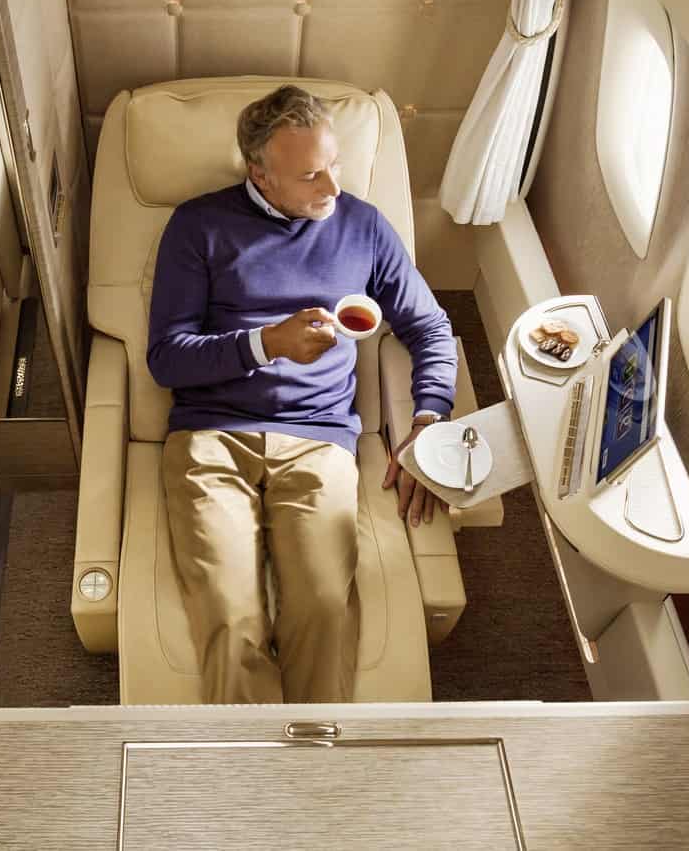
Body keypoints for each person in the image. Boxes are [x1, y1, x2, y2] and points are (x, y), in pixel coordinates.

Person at [147, 84, 457, 704]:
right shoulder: (197, 226)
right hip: (213, 437)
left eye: (334, 165)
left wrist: (429, 419)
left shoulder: (363, 226)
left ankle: (317, 754)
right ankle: (254, 761)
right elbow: (167, 359)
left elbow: (430, 328)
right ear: (259, 174)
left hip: (319, 439)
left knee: (323, 607)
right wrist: (268, 344)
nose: (333, 188)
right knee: (231, 618)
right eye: (311, 175)